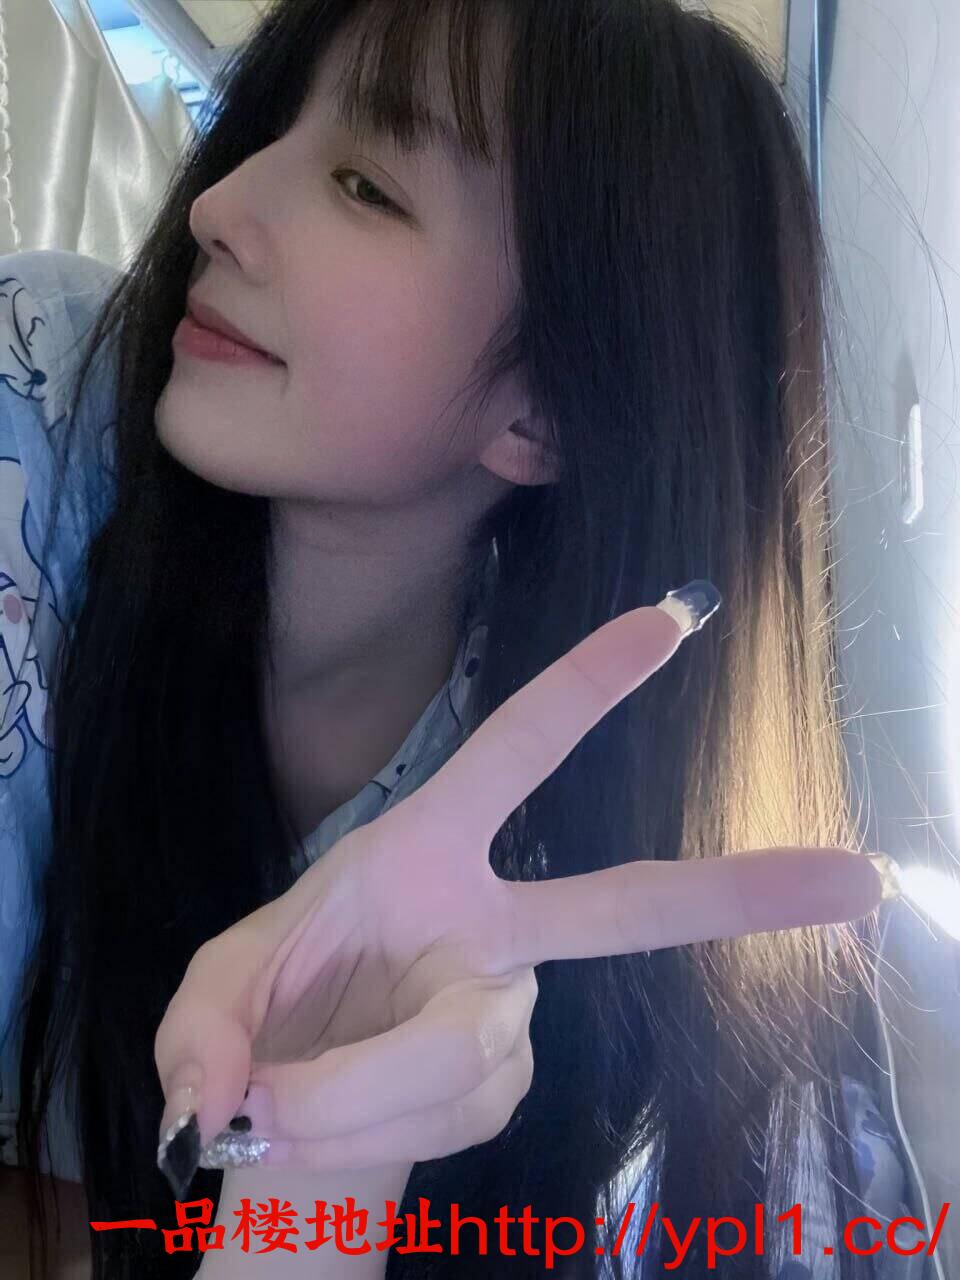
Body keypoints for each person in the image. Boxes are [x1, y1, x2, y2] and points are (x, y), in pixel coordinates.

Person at [0, 0, 918, 1277]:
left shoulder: (563, 834)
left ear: (545, 415)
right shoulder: (34, 402)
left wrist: (311, 1191)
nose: (216, 205)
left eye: (365, 186)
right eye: (263, 130)